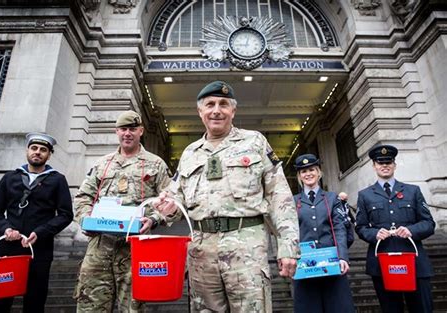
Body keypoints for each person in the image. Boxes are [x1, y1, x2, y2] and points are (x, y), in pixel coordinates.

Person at [155, 81, 300, 312]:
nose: (216, 110)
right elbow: (176, 199)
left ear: (233, 110)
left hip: (247, 249)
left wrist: (288, 247)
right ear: (200, 111)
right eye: (210, 104)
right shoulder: (190, 153)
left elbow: (279, 197)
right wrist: (165, 208)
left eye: (223, 104)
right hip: (201, 253)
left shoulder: (254, 142)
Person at [73, 110, 172, 313]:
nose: (128, 133)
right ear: (116, 131)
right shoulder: (102, 164)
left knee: (132, 307)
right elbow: (83, 197)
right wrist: (85, 219)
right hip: (99, 247)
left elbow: (171, 202)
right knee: (90, 305)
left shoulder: (156, 164)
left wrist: (154, 219)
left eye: (132, 129)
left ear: (141, 131)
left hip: (135, 249)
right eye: (123, 129)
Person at [0, 132, 73, 313]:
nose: (37, 152)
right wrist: (6, 229)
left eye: (43, 150)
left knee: (35, 302)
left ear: (49, 154)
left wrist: (41, 232)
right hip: (8, 250)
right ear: (27, 151)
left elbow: (65, 215)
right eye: (34, 148)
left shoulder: (57, 180)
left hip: (39, 251)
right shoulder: (10, 178)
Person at [355, 144, 436, 313]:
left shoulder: (413, 191)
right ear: (374, 166)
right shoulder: (365, 195)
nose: (385, 165)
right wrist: (374, 233)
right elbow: (361, 227)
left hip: (414, 262)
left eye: (388, 162)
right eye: (380, 162)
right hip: (383, 264)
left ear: (394, 164)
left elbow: (429, 223)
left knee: (422, 308)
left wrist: (411, 230)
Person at [292, 154, 354, 313]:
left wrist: (342, 257)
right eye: (303, 171)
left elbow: (340, 228)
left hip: (332, 264)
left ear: (319, 172)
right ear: (299, 176)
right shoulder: (293, 201)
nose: (308, 174)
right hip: (305, 267)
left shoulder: (332, 198)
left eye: (312, 169)